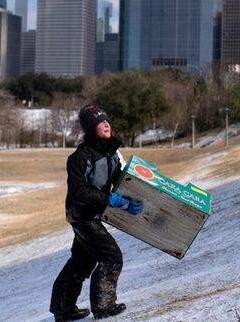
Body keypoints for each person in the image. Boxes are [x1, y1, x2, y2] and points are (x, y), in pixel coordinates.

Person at [50, 104, 142, 321]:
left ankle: (63, 310)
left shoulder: (111, 152)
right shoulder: (80, 157)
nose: (107, 124)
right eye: (100, 122)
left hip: (93, 213)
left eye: (107, 120)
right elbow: (78, 191)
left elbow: (120, 178)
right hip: (81, 215)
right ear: (91, 128)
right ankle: (103, 306)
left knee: (82, 262)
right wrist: (109, 199)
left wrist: (130, 198)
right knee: (111, 256)